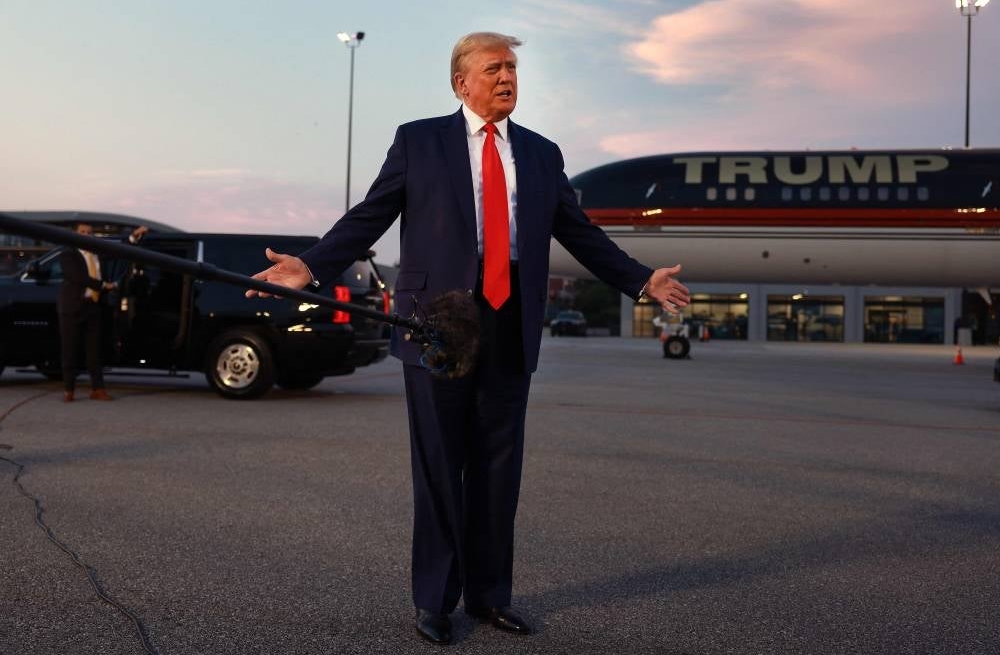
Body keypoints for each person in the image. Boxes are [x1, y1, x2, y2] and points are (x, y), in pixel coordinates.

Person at [247, 32, 690, 645]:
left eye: (512, 67)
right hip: (437, 321)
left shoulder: (540, 153)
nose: (507, 77)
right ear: (462, 83)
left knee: (497, 467)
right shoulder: (419, 141)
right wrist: (313, 265)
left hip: (509, 322)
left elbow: (579, 232)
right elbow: (371, 214)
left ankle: (488, 597)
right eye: (494, 68)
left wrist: (639, 279)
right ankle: (434, 598)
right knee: (438, 465)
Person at [58, 223, 148, 402]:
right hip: (72, 307)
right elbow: (78, 277)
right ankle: (69, 390)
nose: (86, 235)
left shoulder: (98, 252)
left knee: (94, 350)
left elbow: (117, 252)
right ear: (75, 235)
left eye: (90, 233)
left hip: (94, 306)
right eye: (82, 232)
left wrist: (133, 237)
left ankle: (97, 389)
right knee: (70, 349)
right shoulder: (67, 254)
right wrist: (103, 286)